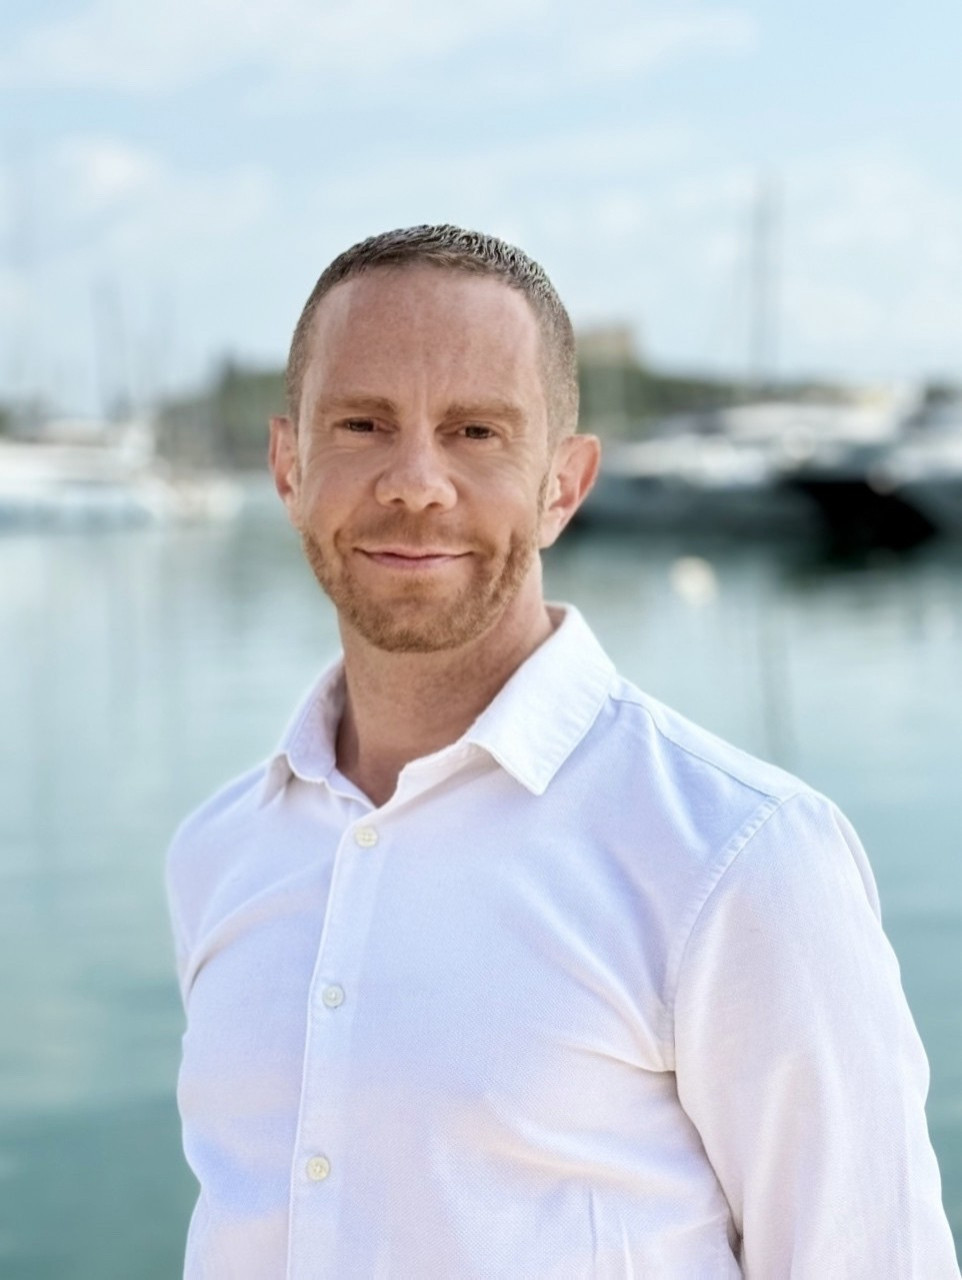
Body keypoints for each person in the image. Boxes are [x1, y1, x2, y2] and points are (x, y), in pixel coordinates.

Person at [166, 224, 959, 1278]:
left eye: (476, 431)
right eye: (361, 424)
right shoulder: (221, 849)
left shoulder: (740, 859)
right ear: (286, 464)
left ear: (564, 485)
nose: (415, 482)